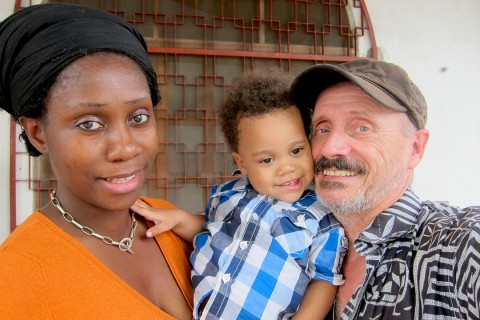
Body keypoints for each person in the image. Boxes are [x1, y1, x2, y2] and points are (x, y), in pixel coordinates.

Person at [0, 3, 193, 319]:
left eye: (139, 117)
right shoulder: (16, 277)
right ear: (37, 133)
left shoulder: (172, 224)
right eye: (90, 123)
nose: (125, 148)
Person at [133, 69, 347, 320]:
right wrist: (178, 220)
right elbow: (213, 230)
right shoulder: (227, 195)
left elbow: (324, 281)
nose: (287, 167)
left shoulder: (323, 219)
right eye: (267, 159)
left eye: (297, 150)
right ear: (242, 163)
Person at [289, 58, 480, 319]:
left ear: (415, 148)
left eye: (361, 127)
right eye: (322, 129)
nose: (329, 147)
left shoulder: (460, 246)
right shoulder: (295, 235)